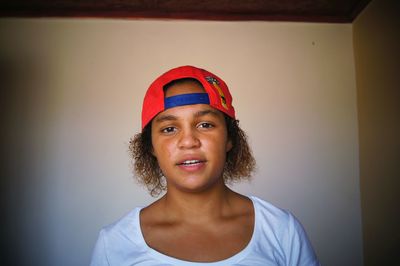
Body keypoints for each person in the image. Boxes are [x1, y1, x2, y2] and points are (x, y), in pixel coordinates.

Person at [90, 66, 319, 265]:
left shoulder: (282, 230)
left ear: (229, 138)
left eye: (205, 124)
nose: (189, 141)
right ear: (151, 146)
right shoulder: (115, 242)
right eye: (169, 128)